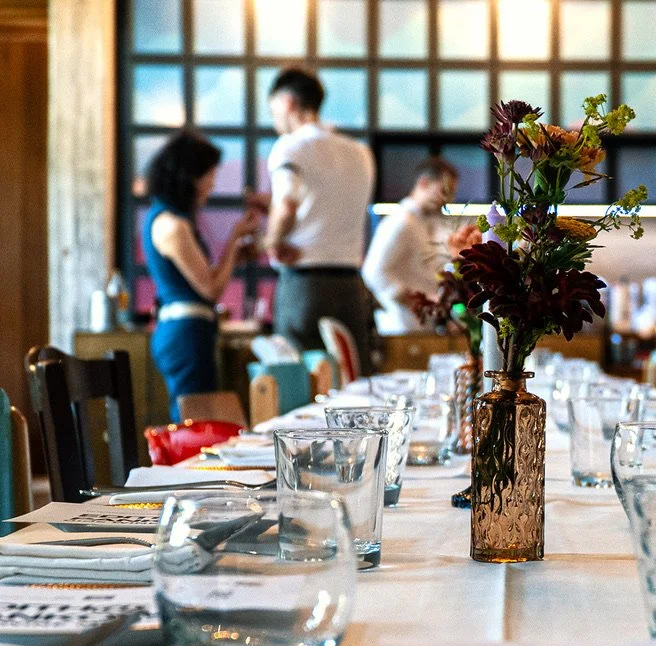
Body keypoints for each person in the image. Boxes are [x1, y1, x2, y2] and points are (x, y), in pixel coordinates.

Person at [248, 68, 376, 373]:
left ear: (288, 101)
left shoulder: (290, 147)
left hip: (304, 286)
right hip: (350, 286)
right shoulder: (360, 152)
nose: (274, 117)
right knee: (353, 380)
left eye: (273, 108)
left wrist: (271, 242)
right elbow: (326, 208)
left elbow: (288, 207)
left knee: (300, 381)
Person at [144, 132, 259, 421]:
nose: (213, 183)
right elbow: (210, 289)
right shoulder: (173, 225)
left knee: (196, 417)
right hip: (186, 333)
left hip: (187, 331)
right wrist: (234, 239)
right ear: (189, 176)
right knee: (196, 421)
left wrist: (236, 253)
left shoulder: (167, 218)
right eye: (209, 175)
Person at [362, 157, 481, 335]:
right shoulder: (401, 222)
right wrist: (413, 301)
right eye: (443, 191)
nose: (447, 199)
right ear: (424, 183)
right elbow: (372, 272)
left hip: (419, 326)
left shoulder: (420, 222)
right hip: (401, 328)